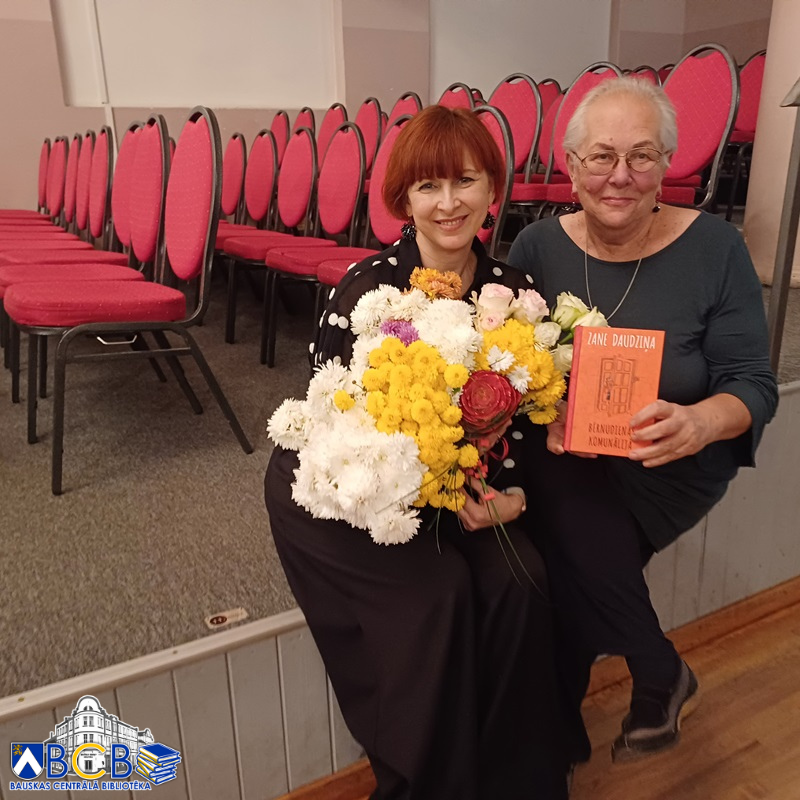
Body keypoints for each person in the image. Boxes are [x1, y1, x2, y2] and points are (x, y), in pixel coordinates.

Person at [265, 105, 571, 800]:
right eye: (428, 186)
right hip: (366, 497)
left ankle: (514, 780)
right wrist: (421, 485)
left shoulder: (517, 296)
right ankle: (432, 782)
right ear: (403, 199)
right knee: (437, 599)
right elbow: (332, 421)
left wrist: (513, 497)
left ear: (492, 190)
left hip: (470, 493)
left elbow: (531, 420)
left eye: (465, 181)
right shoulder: (367, 289)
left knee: (520, 580)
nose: (448, 202)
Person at [507, 76, 779, 767]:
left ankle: (555, 747)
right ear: (572, 166)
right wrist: (549, 414)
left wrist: (700, 422)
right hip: (567, 456)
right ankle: (652, 672)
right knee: (554, 568)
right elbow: (510, 369)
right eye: (602, 156)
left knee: (555, 556)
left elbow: (753, 384)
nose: (620, 175)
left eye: (642, 155)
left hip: (667, 462)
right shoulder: (536, 247)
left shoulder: (715, 249)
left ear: (668, 165)